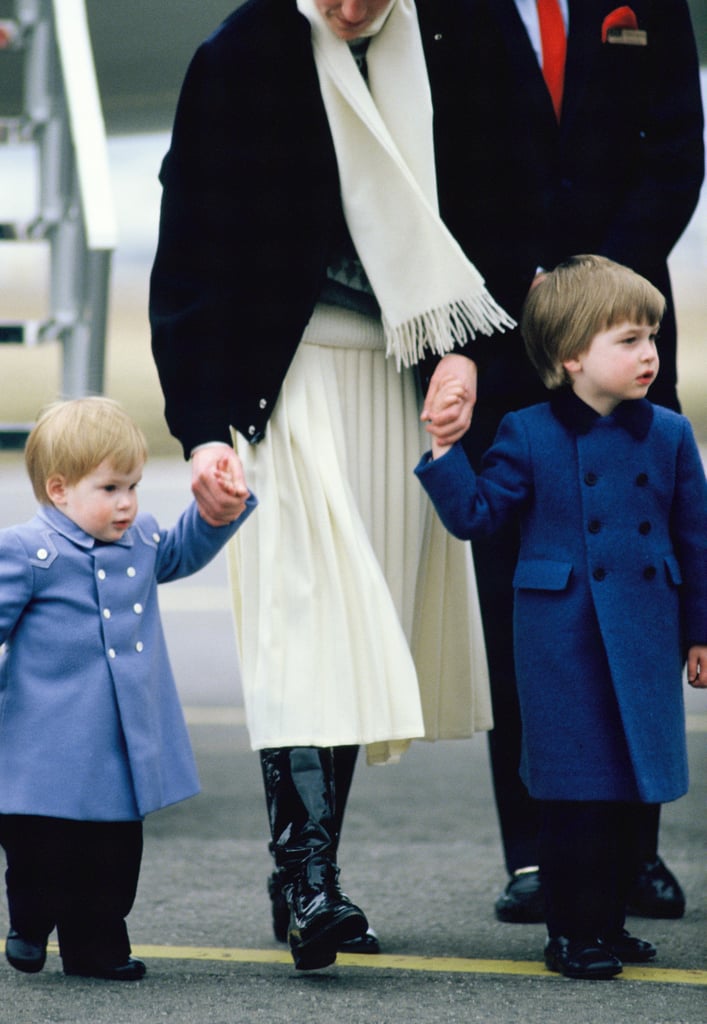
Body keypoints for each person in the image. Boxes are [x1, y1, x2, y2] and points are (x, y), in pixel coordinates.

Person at [150, 0, 514, 970]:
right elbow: (189, 243)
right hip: (287, 375)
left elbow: (499, 203)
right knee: (308, 615)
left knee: (360, 627)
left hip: (405, 371)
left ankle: (300, 876)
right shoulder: (242, 53)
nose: (350, 7)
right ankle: (311, 883)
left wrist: (471, 352)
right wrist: (198, 428)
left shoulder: (454, 35)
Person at [437, 0, 705, 924]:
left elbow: (677, 148)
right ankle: (537, 856)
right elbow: (441, 163)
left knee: (641, 598)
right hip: (507, 337)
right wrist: (528, 287)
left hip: (625, 330)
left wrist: (596, 292)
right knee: (529, 609)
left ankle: (635, 853)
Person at [416, 254, 707, 979]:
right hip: (561, 638)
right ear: (571, 356)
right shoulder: (525, 432)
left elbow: (696, 541)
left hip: (643, 631)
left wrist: (701, 631)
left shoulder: (670, 434)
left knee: (625, 791)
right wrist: (445, 452)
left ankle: (606, 922)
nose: (648, 355)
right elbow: (477, 519)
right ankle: (571, 932)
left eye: (652, 338)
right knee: (573, 790)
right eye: (628, 340)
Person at [0, 397, 255, 980]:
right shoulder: (27, 551)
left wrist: (216, 512)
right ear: (60, 490)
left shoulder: (138, 540)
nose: (128, 503)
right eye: (111, 488)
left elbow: (180, 552)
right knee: (40, 846)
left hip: (116, 744)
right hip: (42, 745)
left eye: (134, 486)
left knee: (113, 859)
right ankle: (31, 922)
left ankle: (97, 948)